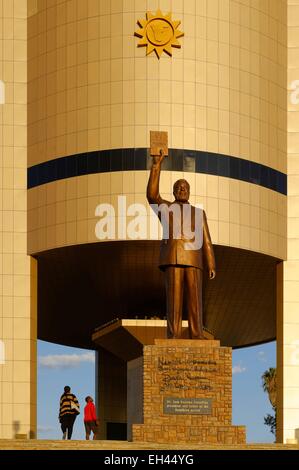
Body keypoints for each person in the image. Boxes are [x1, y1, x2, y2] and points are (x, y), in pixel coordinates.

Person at [147, 151, 216, 339]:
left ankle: (197, 333)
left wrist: (211, 263)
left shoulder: (199, 213)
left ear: (190, 191)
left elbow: (207, 240)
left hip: (194, 258)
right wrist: (156, 165)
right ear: (174, 192)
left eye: (185, 187)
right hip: (173, 257)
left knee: (195, 300)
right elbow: (152, 195)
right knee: (174, 301)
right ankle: (174, 335)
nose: (182, 189)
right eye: (179, 187)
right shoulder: (167, 208)